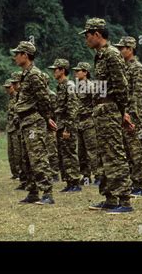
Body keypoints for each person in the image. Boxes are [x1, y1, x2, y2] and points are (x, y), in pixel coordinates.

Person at [80, 18, 134, 214]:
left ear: (97, 34)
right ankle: (110, 198)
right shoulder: (100, 56)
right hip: (101, 110)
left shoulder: (112, 55)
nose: (86, 39)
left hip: (110, 110)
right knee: (103, 155)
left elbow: (121, 87)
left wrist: (122, 111)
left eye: (87, 35)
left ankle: (125, 200)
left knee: (115, 154)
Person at [11, 41, 56, 205]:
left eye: (18, 53)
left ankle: (47, 193)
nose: (15, 57)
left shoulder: (34, 75)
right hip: (25, 121)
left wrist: (46, 117)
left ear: (25, 55)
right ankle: (32, 192)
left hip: (34, 121)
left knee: (38, 156)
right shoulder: (25, 75)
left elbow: (44, 98)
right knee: (27, 159)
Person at [114, 36, 142, 198]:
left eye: (122, 48)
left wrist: (131, 115)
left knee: (137, 150)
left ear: (130, 49)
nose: (120, 51)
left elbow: (137, 95)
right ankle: (132, 182)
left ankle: (141, 184)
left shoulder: (137, 68)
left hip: (134, 115)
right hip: (125, 114)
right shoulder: (124, 68)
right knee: (127, 150)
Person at [48, 58, 81, 192]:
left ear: (62, 70)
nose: (53, 72)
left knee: (69, 153)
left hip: (68, 126)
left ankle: (75, 183)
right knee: (63, 154)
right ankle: (69, 182)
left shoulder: (69, 86)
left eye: (55, 69)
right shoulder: (60, 86)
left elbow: (72, 108)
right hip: (61, 125)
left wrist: (68, 128)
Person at [72, 62, 101, 185]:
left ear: (85, 72)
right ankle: (86, 176)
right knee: (81, 152)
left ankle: (99, 175)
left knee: (93, 150)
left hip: (89, 121)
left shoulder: (91, 86)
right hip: (79, 122)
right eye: (76, 70)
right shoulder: (76, 86)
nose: (76, 73)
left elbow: (97, 103)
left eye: (79, 71)